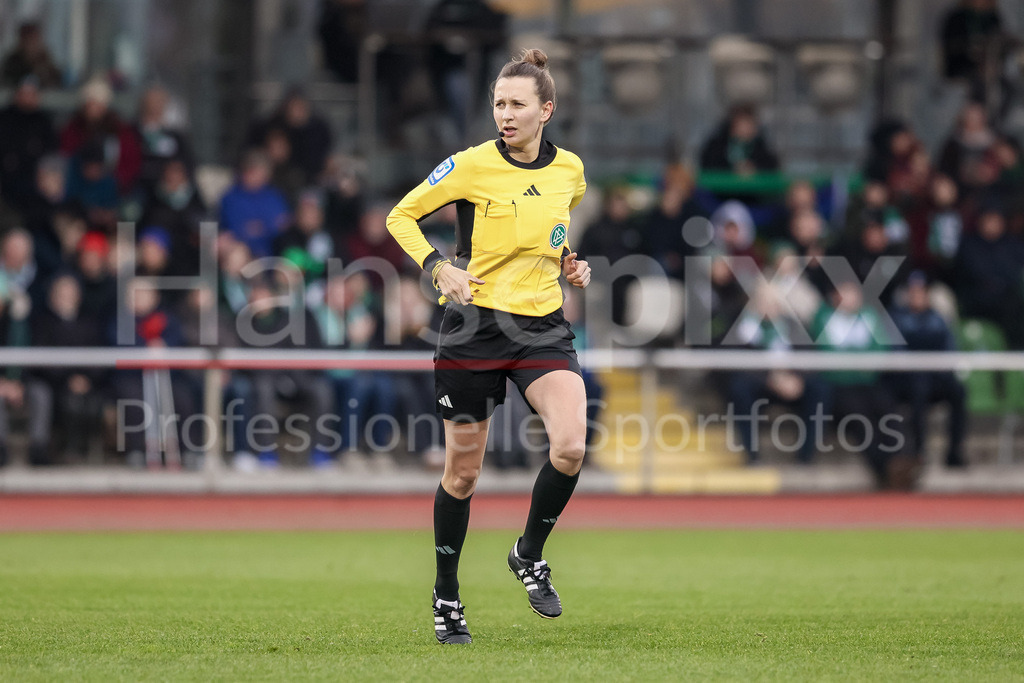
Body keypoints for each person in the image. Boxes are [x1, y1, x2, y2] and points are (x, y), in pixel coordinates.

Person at [386, 48, 591, 644]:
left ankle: (528, 553)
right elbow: (401, 216)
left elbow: (551, 232)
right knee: (463, 475)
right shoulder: (470, 165)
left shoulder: (570, 171)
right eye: (499, 104)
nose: (505, 114)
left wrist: (570, 263)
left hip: (541, 326)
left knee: (571, 447)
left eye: (517, 105)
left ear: (545, 110)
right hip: (474, 329)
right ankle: (446, 594)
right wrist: (438, 267)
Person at [0, 22, 61, 88]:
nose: (33, 44)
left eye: (35, 39)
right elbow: (7, 83)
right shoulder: (12, 62)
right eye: (29, 39)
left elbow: (56, 83)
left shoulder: (45, 59)